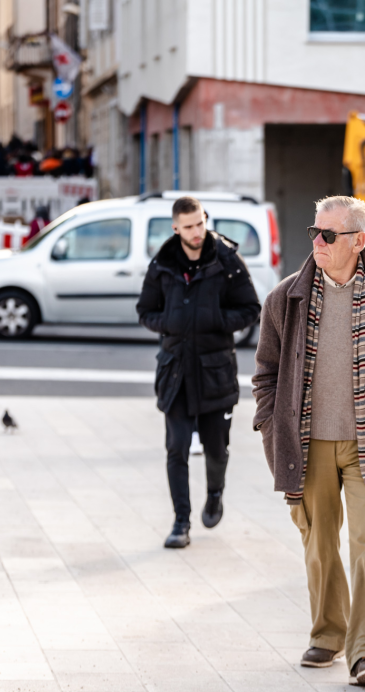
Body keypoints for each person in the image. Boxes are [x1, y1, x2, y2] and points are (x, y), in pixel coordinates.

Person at [252, 196, 365, 688]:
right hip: (307, 444)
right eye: (314, 232)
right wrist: (273, 429)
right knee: (319, 544)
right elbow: (265, 375)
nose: (317, 242)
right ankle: (327, 635)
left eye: (329, 235)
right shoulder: (285, 298)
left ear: (359, 241)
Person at [136, 196, 260, 549]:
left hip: (215, 371)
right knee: (175, 449)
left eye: (200, 223)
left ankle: (215, 493)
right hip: (175, 371)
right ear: (176, 228)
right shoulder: (163, 262)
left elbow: (251, 308)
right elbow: (145, 310)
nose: (196, 232)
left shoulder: (226, 260)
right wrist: (170, 324)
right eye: (188, 226)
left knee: (216, 448)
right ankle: (180, 523)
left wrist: (217, 321)